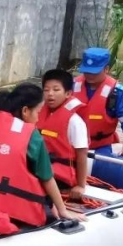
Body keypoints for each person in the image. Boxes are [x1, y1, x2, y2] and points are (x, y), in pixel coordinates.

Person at [0, 83, 86, 227]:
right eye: (38, 112)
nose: (38, 119)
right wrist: (62, 209)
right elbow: (47, 179)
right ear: (25, 111)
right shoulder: (31, 135)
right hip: (14, 214)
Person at [72, 48, 123, 157]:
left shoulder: (118, 92)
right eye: (87, 71)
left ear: (106, 69)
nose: (89, 75)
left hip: (100, 147)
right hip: (71, 143)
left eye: (94, 72)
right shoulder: (71, 86)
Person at [37, 69, 88, 201]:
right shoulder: (37, 113)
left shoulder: (75, 122)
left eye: (56, 90)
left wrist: (80, 186)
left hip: (60, 178)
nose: (50, 94)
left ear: (68, 93)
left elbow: (82, 154)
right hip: (42, 169)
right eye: (46, 90)